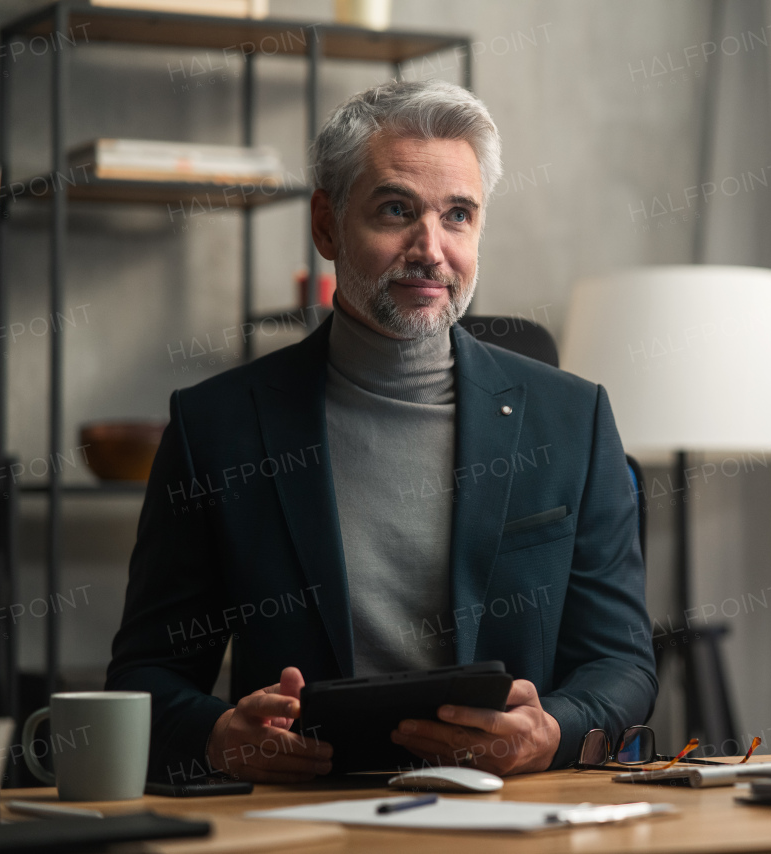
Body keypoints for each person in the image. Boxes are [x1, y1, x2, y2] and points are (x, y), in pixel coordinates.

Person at [105, 79, 657, 783]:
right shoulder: (215, 427)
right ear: (327, 225)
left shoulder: (573, 419)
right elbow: (145, 673)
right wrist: (217, 734)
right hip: (298, 815)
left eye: (458, 215)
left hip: (511, 811)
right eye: (397, 210)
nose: (430, 248)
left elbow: (622, 663)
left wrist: (551, 733)